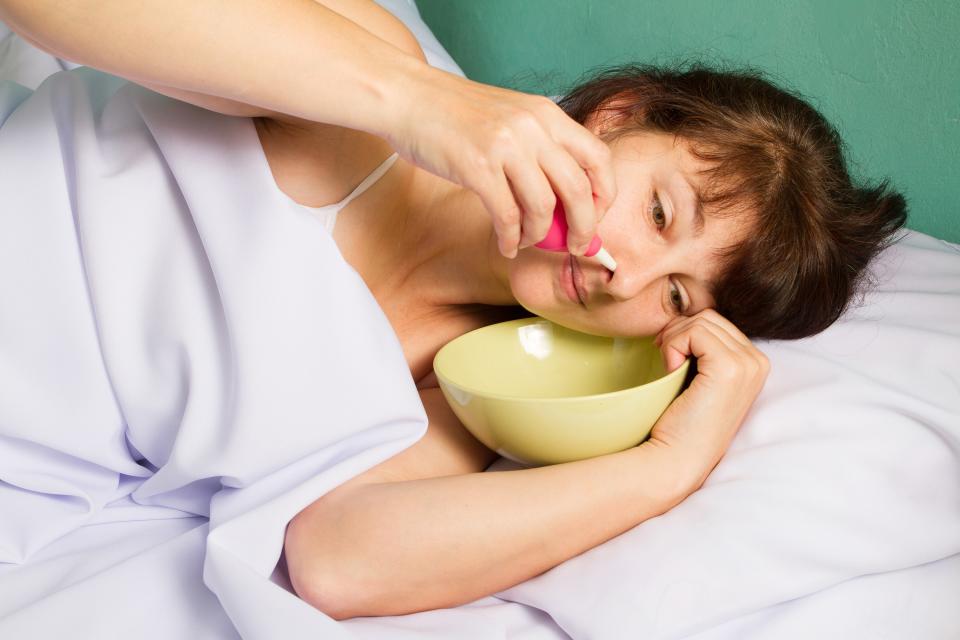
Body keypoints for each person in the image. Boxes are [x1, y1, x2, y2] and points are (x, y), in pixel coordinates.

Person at [0, 0, 906, 622]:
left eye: (676, 294)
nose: (623, 274)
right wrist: (418, 99)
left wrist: (669, 466)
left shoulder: (465, 376)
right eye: (660, 211)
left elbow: (337, 563)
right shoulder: (375, 80)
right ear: (615, 116)